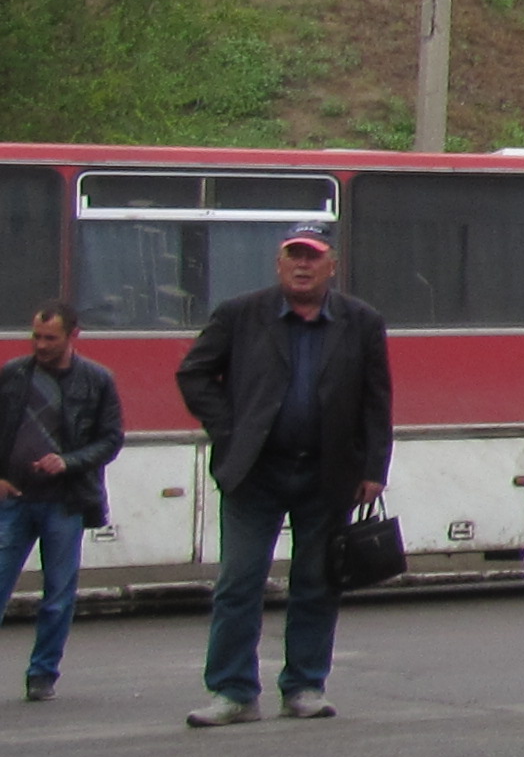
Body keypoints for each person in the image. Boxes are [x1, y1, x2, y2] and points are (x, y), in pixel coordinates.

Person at [176, 224, 392, 726]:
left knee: (317, 583)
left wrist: (374, 467)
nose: (302, 265)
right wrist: (230, 430)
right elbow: (194, 374)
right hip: (255, 471)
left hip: (327, 473)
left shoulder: (361, 322)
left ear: (330, 266)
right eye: (293, 256)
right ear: (278, 264)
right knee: (239, 582)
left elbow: (377, 399)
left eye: (312, 257)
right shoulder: (240, 314)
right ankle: (232, 692)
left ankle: (304, 687)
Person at [0, 304, 123, 701]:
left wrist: (68, 462)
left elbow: (110, 440)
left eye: (50, 338)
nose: (41, 345)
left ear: (74, 336)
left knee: (57, 594)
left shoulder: (97, 380)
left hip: (64, 501)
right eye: (36, 336)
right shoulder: (14, 374)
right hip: (14, 497)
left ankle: (42, 674)